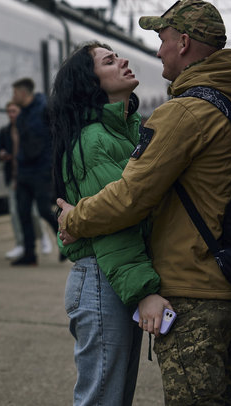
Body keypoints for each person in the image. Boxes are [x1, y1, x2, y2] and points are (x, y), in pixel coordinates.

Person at [57, 0, 231, 404]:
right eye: (110, 60)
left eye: (162, 38)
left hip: (169, 279)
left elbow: (129, 202)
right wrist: (143, 290)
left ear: (183, 43)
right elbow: (123, 223)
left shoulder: (180, 114)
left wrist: (76, 219)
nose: (154, 50)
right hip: (120, 277)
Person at [51, 41, 169, 405]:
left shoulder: (125, 132)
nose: (124, 60)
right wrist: (143, 292)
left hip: (113, 280)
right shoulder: (94, 140)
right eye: (109, 60)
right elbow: (115, 227)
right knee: (102, 400)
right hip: (105, 280)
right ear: (91, 82)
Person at [10, 77, 60, 266]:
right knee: (23, 212)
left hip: (41, 170)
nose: (13, 96)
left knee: (44, 211)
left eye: (15, 92)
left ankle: (64, 243)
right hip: (24, 170)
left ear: (23, 93)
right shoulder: (22, 115)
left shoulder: (45, 109)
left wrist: (52, 166)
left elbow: (56, 136)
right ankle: (30, 255)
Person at [0, 101, 52, 259]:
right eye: (8, 111)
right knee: (16, 212)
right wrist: (1, 154)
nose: (11, 115)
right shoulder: (5, 131)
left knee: (35, 212)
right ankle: (21, 244)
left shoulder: (29, 129)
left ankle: (44, 237)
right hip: (14, 177)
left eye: (14, 111)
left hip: (31, 175)